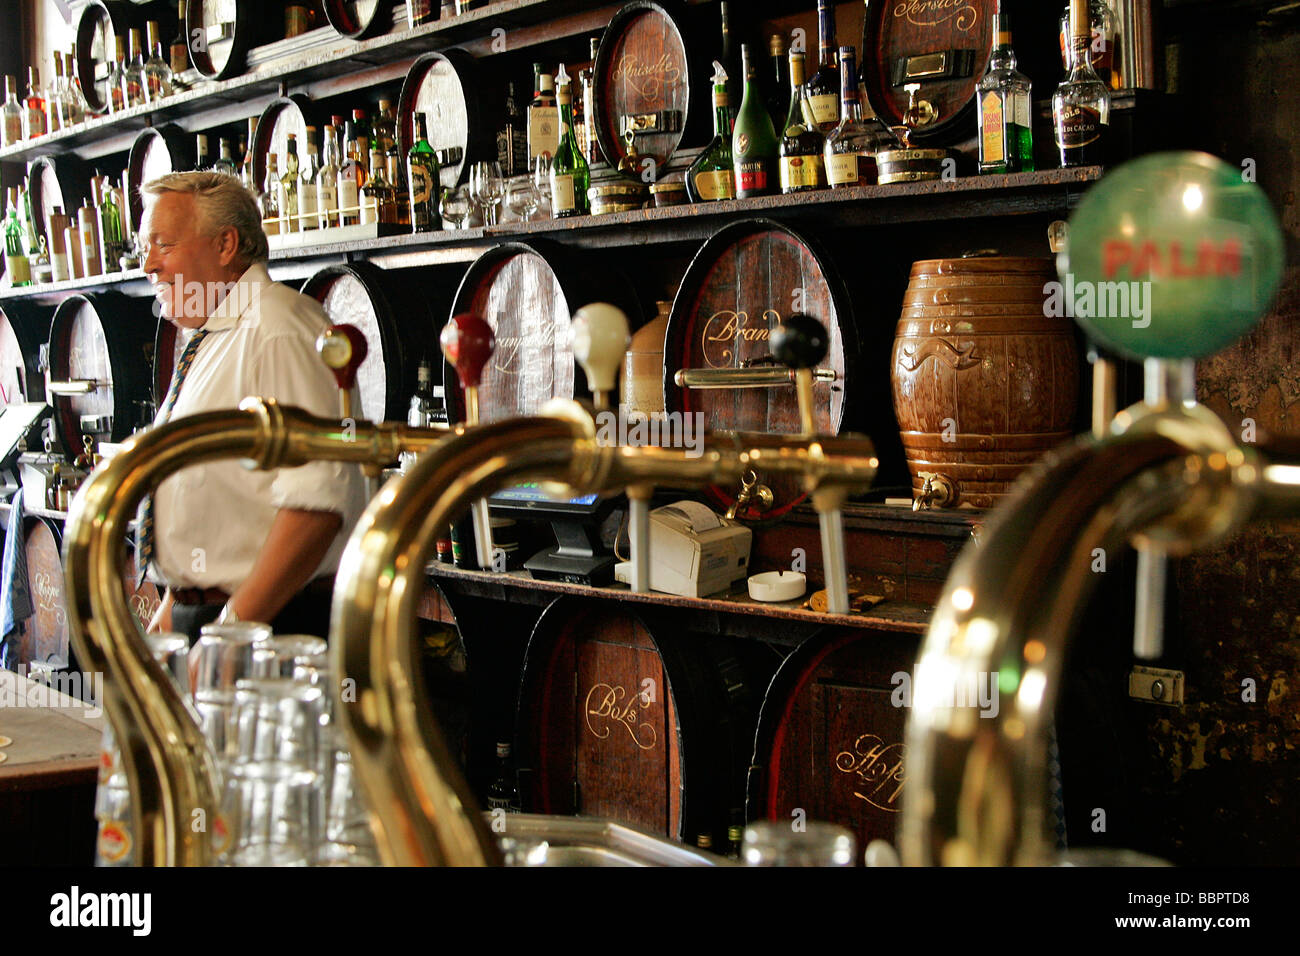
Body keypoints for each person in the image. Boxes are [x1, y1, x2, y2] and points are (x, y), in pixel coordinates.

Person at [138, 170, 367, 642]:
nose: (149, 266)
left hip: (271, 627)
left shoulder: (278, 325)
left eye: (163, 244)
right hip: (211, 620)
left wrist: (232, 632)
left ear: (225, 245)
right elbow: (217, 500)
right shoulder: (215, 336)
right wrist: (175, 602)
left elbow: (318, 501)